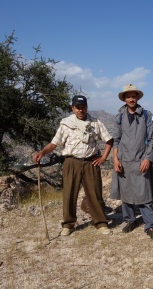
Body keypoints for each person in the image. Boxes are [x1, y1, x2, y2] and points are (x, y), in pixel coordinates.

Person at [33, 95, 113, 236]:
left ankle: (101, 223)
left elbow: (109, 140)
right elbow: (54, 143)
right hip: (71, 162)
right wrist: (42, 152)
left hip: (90, 162)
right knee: (69, 193)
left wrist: (104, 157)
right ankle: (68, 224)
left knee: (95, 193)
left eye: (83, 107)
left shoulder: (95, 123)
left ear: (86, 107)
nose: (80, 110)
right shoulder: (66, 123)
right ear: (73, 108)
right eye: (77, 107)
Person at [110, 84, 153, 241]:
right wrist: (115, 159)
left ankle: (150, 225)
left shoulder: (146, 115)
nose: (131, 99)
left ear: (137, 97)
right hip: (124, 160)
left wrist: (148, 158)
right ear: (124, 99)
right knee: (126, 192)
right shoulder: (119, 116)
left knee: (144, 194)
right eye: (128, 96)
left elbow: (152, 139)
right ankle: (130, 220)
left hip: (141, 159)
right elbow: (116, 140)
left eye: (133, 96)